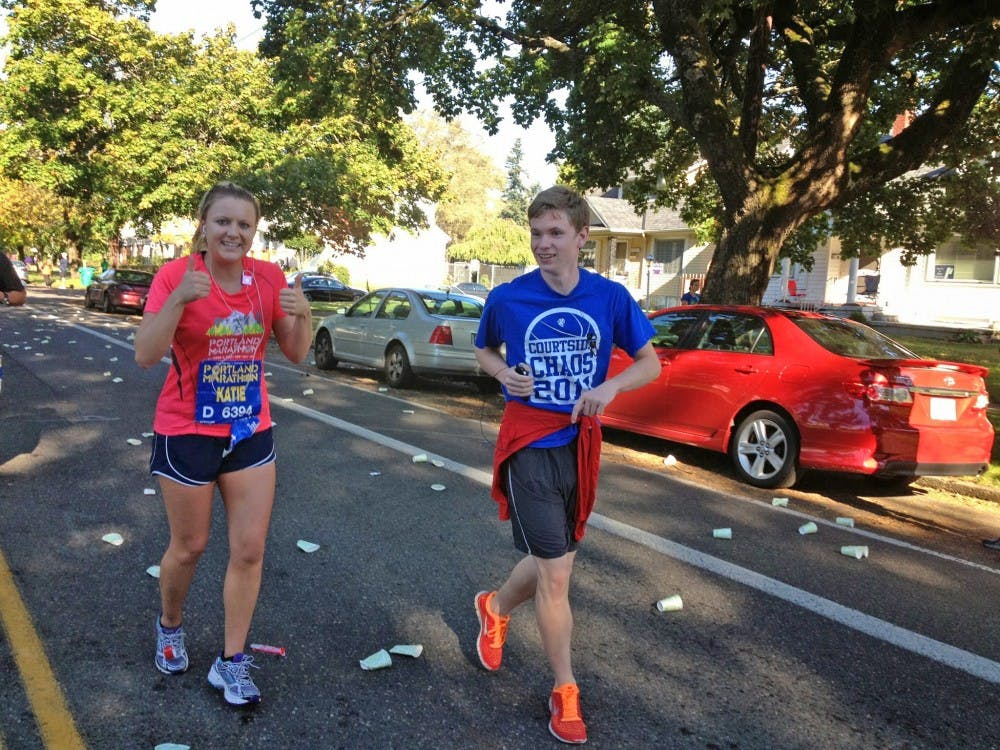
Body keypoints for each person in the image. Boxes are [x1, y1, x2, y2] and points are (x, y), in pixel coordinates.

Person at [473, 185, 660, 744]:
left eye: (555, 233)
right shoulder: (508, 299)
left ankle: (494, 605)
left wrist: (610, 385)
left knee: (554, 559)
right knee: (557, 573)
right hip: (529, 441)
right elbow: (484, 350)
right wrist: (503, 374)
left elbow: (649, 363)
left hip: (581, 444)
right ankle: (565, 690)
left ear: (582, 237)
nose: (543, 244)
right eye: (536, 233)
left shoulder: (609, 298)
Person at [134, 181, 312, 707]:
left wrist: (304, 313)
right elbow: (145, 354)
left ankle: (232, 661)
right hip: (186, 430)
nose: (233, 232)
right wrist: (179, 302)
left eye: (244, 225)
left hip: (249, 430)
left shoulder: (267, 279)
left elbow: (297, 353)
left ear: (253, 232)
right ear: (204, 225)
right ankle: (170, 625)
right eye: (224, 222)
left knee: (250, 549)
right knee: (189, 547)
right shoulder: (176, 275)